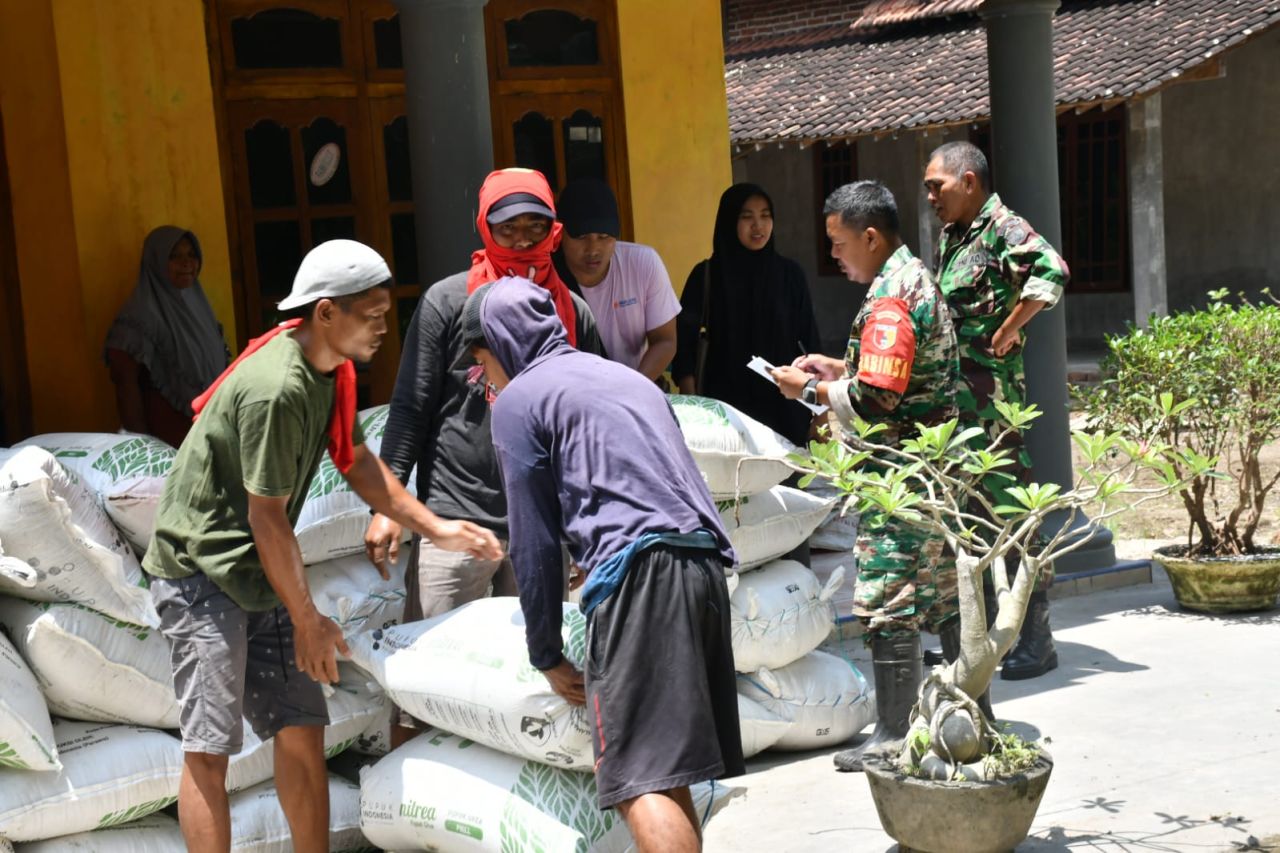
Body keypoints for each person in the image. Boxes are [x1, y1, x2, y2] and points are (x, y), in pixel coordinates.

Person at [142, 239, 502, 853]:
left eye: (388, 313)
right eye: (373, 314)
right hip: (201, 572)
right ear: (327, 313)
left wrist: (435, 527)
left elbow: (357, 461)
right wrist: (307, 619)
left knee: (301, 726)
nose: (384, 327)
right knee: (211, 748)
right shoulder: (277, 388)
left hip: (259, 571)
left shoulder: (331, 371)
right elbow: (268, 517)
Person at [465, 275, 743, 853]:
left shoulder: (520, 401)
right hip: (702, 568)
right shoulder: (623, 377)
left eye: (480, 366)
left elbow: (533, 544)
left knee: (636, 779)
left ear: (497, 346)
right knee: (664, 773)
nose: (484, 381)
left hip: (640, 580)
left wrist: (545, 651)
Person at [365, 168, 602, 746]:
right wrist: (389, 504)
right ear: (484, 228)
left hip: (540, 528)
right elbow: (413, 405)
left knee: (536, 684)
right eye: (509, 229)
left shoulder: (572, 313)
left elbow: (587, 428)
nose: (522, 242)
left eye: (535, 228)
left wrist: (581, 530)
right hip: (455, 519)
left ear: (554, 230)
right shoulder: (448, 302)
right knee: (431, 682)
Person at [771, 181, 966, 772]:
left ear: (871, 236)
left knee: (888, 599)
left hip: (898, 476)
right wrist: (842, 367)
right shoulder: (912, 279)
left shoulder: (890, 298)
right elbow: (894, 376)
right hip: (931, 470)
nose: (834, 254)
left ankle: (892, 733)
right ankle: (967, 714)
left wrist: (810, 388)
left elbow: (878, 397)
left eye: (838, 242)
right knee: (942, 594)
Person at [924, 141, 1068, 681]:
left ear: (968, 181)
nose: (931, 197)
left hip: (994, 405)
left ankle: (1037, 636)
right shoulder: (954, 237)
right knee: (972, 520)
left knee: (1010, 518)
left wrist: (1012, 326)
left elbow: (1051, 269)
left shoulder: (1003, 228)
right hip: (959, 405)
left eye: (937, 186)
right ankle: (984, 637)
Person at [672, 183, 821, 446]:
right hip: (723, 413)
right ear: (729, 221)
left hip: (785, 411)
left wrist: (818, 410)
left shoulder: (789, 275)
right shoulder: (706, 276)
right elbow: (684, 347)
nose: (758, 226)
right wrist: (693, 404)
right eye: (747, 217)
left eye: (765, 216)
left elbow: (809, 342)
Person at [104, 226, 230, 447]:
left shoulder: (199, 307)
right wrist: (141, 446)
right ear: (156, 261)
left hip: (212, 430)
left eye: (191, 255)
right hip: (169, 441)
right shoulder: (139, 317)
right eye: (174, 256)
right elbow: (126, 386)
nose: (186, 263)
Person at [551, 177, 680, 381]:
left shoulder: (643, 264)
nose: (593, 249)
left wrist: (633, 388)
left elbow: (665, 340)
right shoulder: (545, 278)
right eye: (581, 237)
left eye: (604, 237)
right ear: (559, 233)